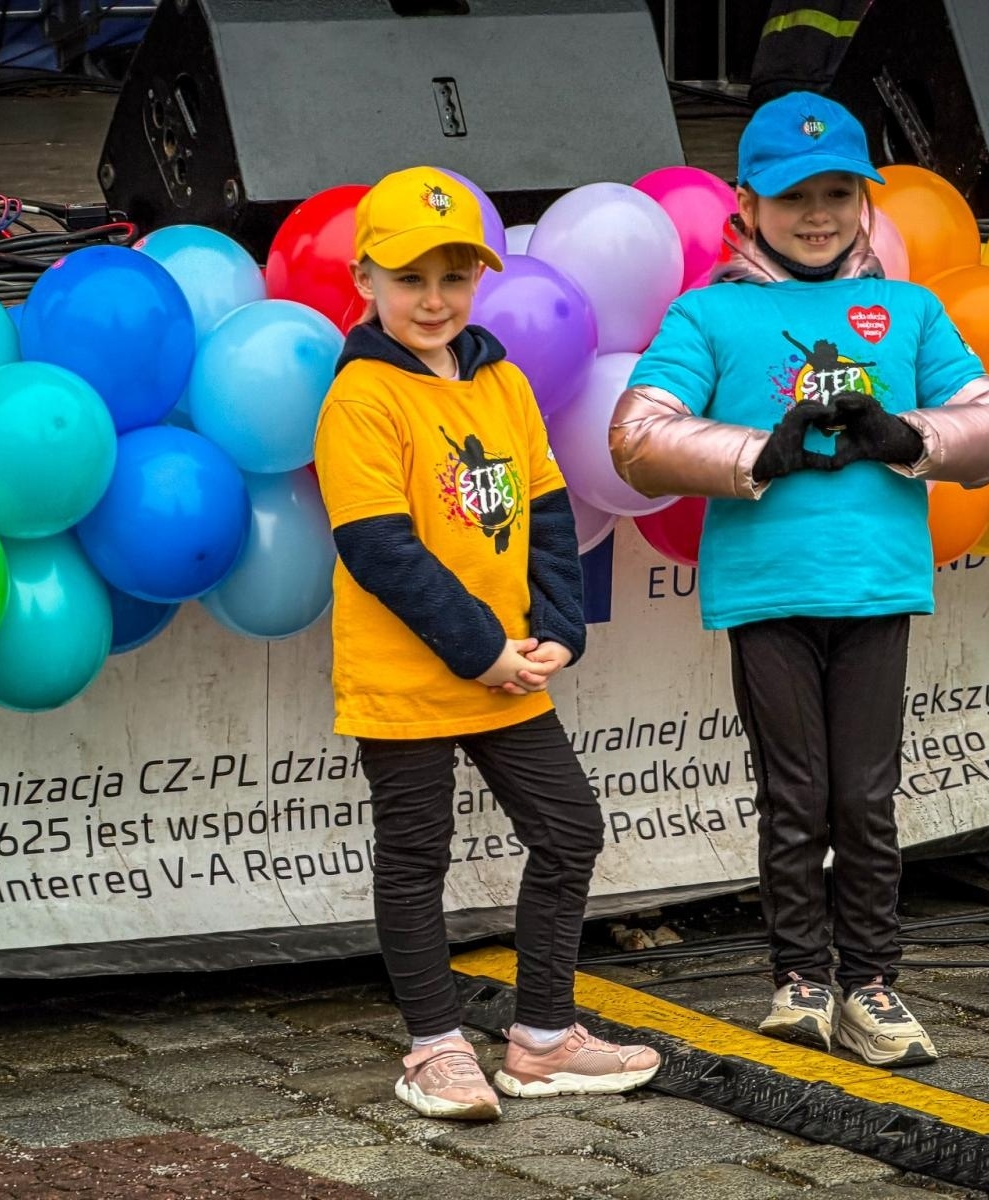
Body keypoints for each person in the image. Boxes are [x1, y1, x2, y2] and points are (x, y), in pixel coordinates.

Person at [609, 93, 989, 1067]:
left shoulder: (912, 310)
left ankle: (871, 987)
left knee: (864, 797)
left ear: (863, 202)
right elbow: (633, 435)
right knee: (795, 794)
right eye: (792, 194)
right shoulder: (706, 313)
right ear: (747, 204)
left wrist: (912, 434)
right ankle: (800, 981)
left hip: (876, 589)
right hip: (766, 594)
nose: (817, 212)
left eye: (838, 191)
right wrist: (764, 450)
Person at [313, 166, 661, 1119]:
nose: (433, 300)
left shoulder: (502, 380)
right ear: (365, 282)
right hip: (412, 676)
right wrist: (482, 650)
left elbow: (550, 511)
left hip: (507, 668)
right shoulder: (361, 399)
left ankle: (543, 1039)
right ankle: (434, 1047)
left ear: (481, 281)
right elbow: (380, 549)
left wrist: (554, 631)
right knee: (417, 854)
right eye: (410, 278)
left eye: (454, 277)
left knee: (568, 829)